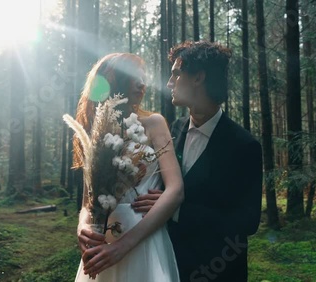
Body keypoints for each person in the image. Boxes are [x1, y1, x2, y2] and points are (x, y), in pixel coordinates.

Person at [132, 41, 263, 282]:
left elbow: (247, 221)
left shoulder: (244, 146)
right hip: (170, 266)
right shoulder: (175, 129)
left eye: (176, 74)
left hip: (219, 272)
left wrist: (176, 210)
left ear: (198, 77)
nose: (170, 83)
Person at [74, 53, 184, 282]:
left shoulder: (154, 123)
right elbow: (88, 201)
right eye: (135, 77)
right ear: (114, 77)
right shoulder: (95, 131)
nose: (143, 84)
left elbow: (175, 190)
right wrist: (82, 227)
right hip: (101, 244)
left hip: (143, 239)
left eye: (144, 78)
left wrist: (123, 246)